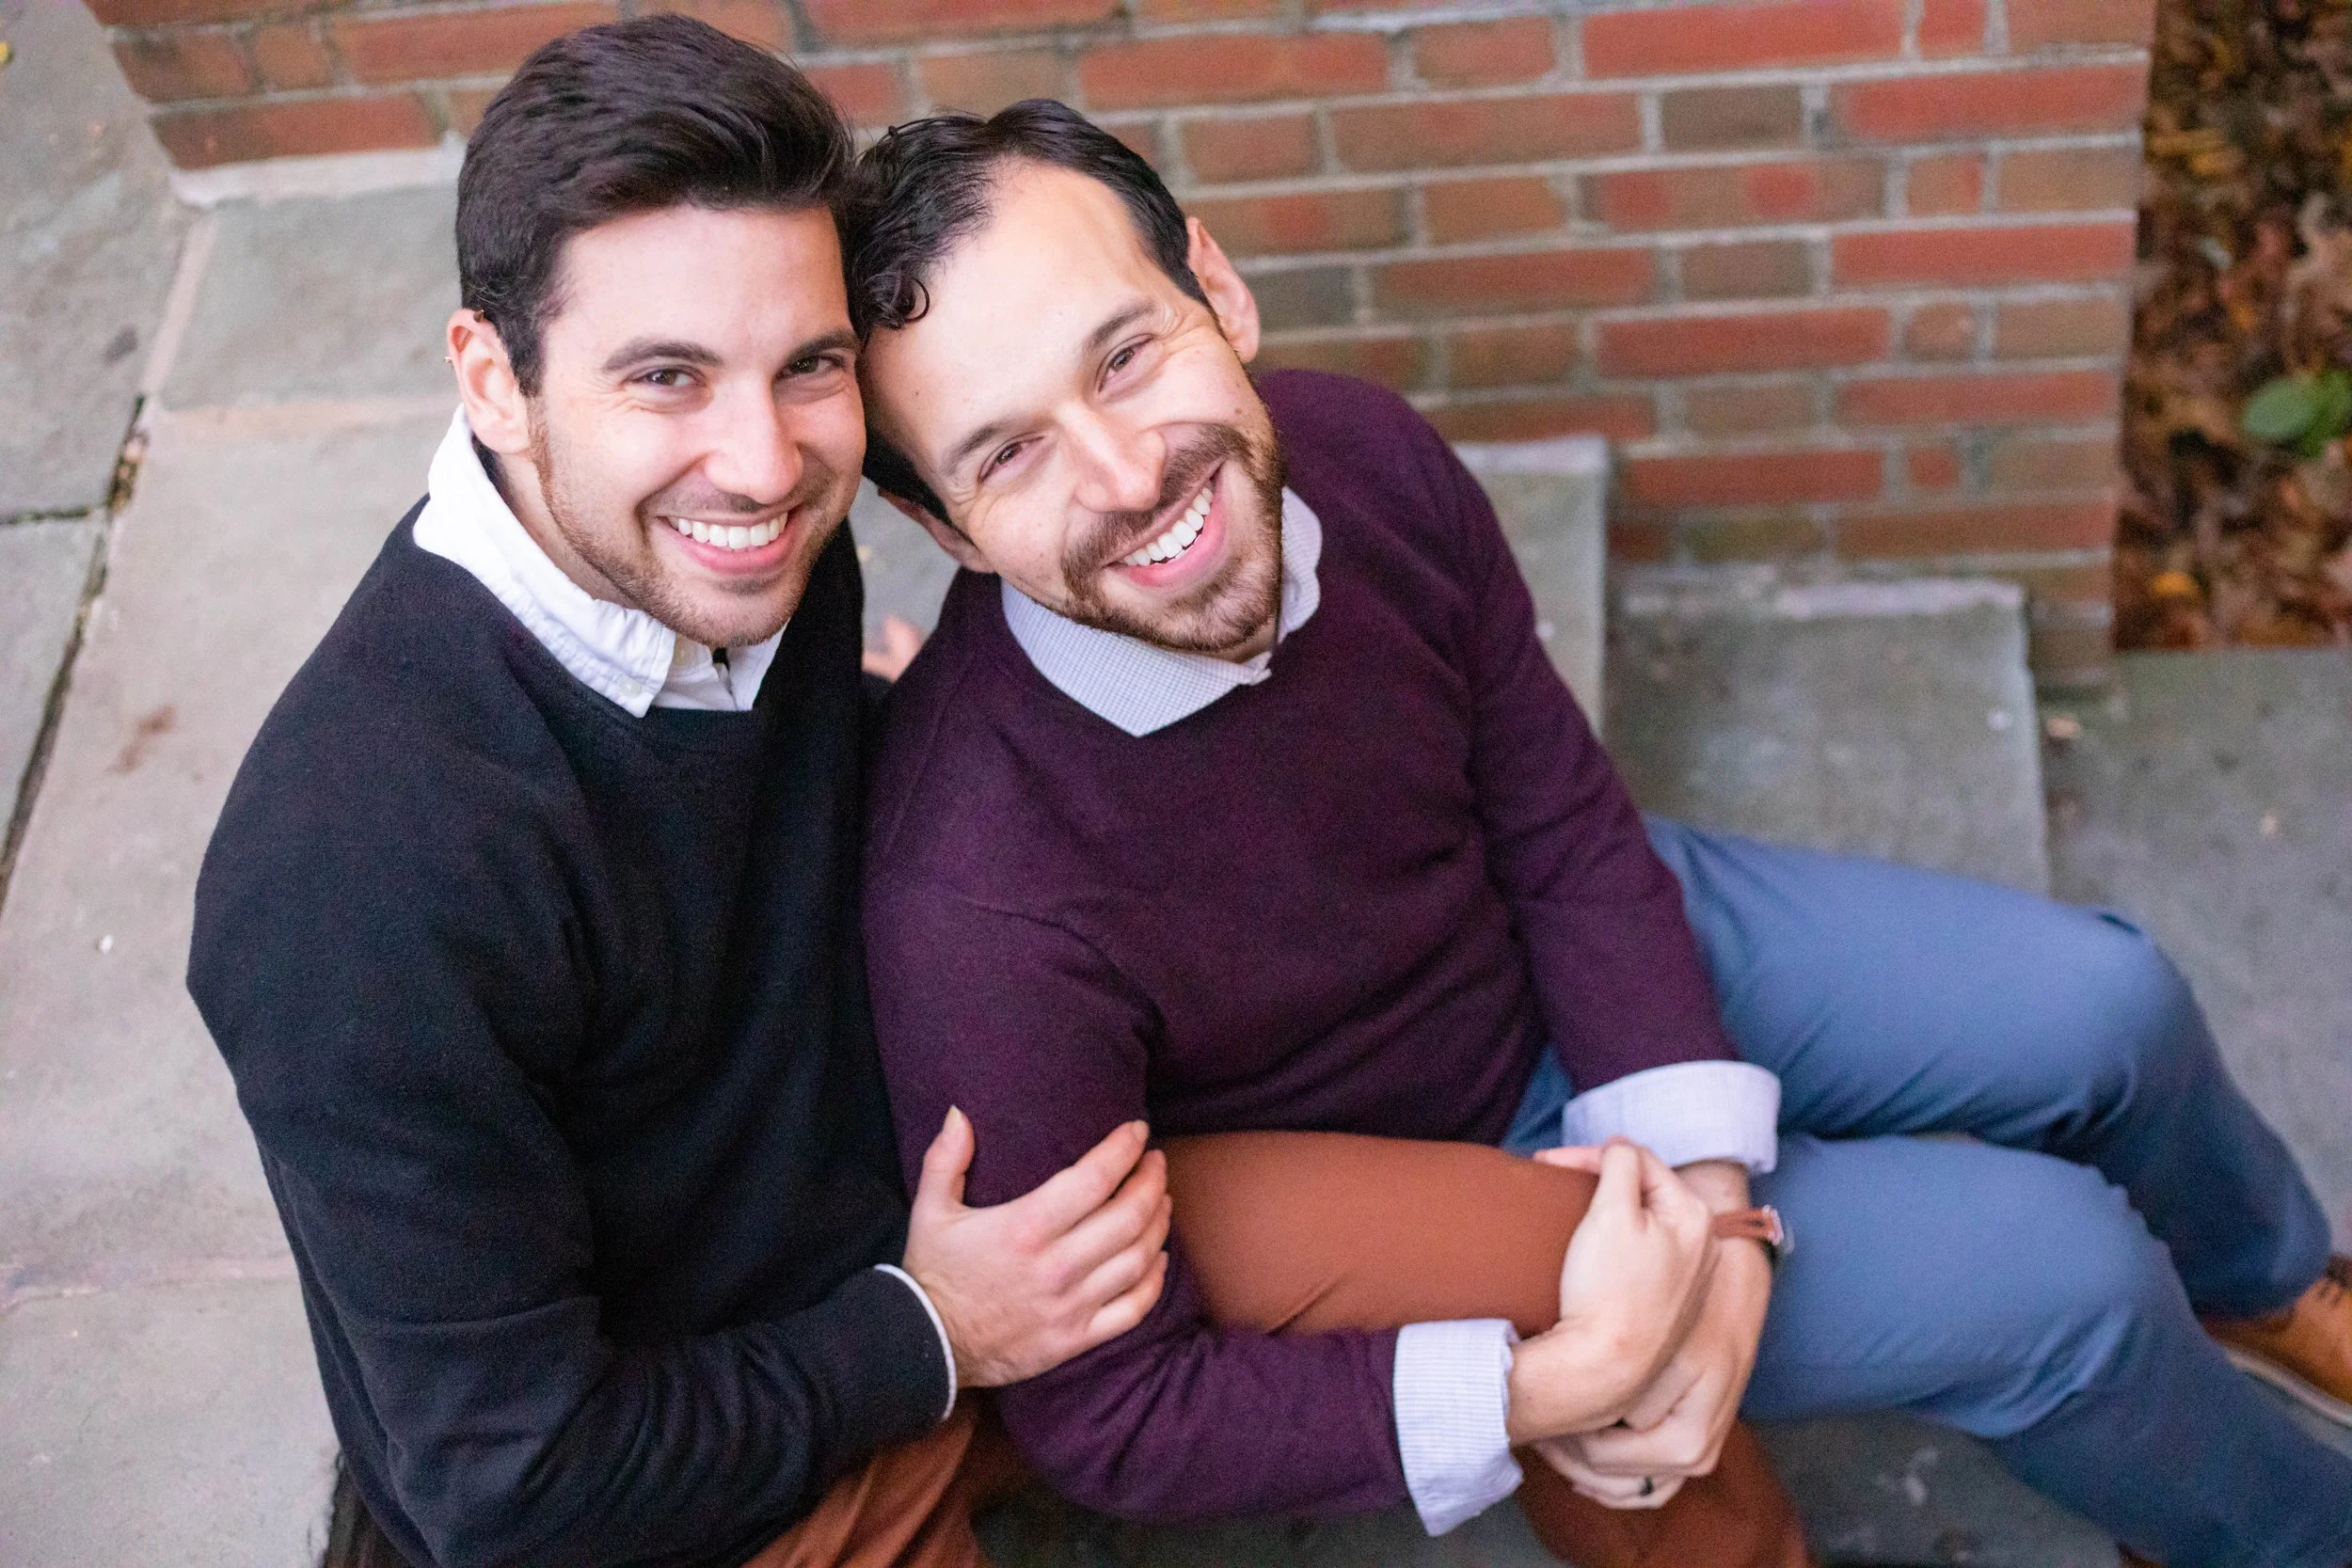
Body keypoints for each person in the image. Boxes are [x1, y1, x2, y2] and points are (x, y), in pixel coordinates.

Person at [847, 100, 2352, 1568]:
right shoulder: (972, 897)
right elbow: (1110, 1419)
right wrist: (1556, 1346)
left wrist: (1717, 1197)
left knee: (2111, 1000)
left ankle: (2260, 1281)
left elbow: (1558, 813)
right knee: (2064, 1278)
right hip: (1420, 1164)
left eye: (1124, 354)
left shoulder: (1358, 452)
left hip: (1568, 934)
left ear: (1216, 292)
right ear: (952, 535)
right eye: (1007, 454)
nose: (1126, 476)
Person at [186, 24, 1178, 1568]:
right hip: (687, 1496)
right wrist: (922, 1332)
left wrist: (898, 729)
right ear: (493, 380)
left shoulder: (743, 546)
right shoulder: (357, 883)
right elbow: (513, 1479)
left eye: (810, 367)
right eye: (665, 378)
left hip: (884, 1222)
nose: (763, 462)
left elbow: (711, 811)